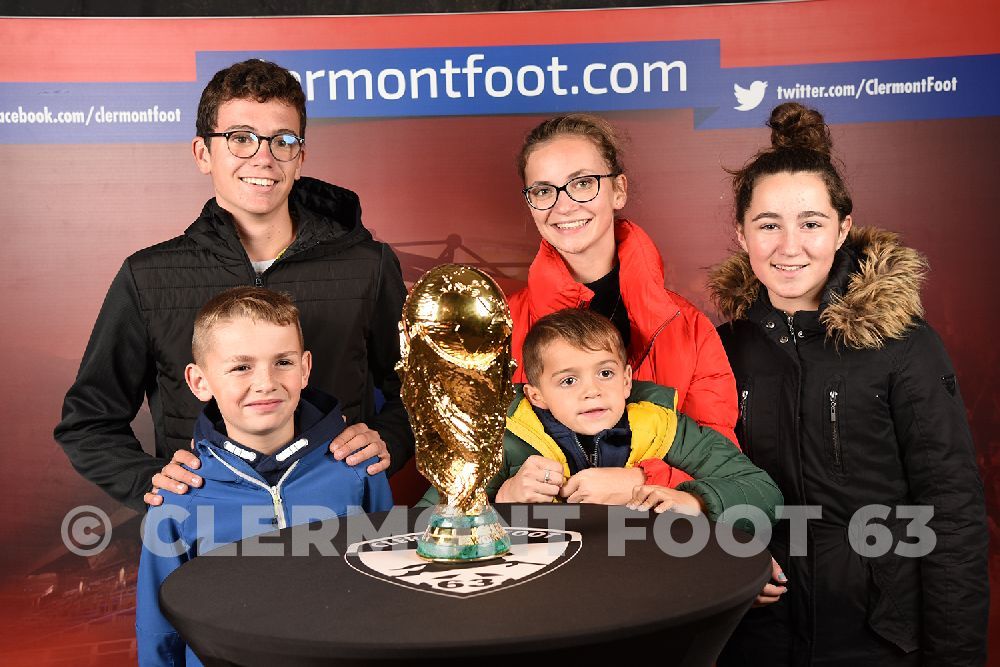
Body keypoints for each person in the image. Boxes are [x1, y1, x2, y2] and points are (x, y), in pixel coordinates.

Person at [54, 59, 413, 513]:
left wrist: (392, 439)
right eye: (240, 138)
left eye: (282, 141)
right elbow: (88, 422)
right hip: (208, 528)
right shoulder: (148, 277)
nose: (263, 157)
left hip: (339, 522)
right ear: (203, 153)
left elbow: (421, 393)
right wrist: (148, 480)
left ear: (300, 157)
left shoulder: (368, 265)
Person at [710, 102, 988, 666]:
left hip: (879, 635)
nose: (790, 247)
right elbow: (689, 478)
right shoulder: (721, 347)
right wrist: (732, 555)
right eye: (768, 225)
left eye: (811, 223)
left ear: (842, 229)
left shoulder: (904, 344)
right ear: (741, 235)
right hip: (758, 630)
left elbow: (952, 511)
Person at [135, 287, 392, 666]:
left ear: (305, 369)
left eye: (282, 362)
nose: (266, 382)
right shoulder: (178, 496)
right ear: (199, 382)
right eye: (241, 367)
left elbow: (393, 591)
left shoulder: (357, 469)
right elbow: (159, 630)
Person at [510, 113, 738, 497]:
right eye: (544, 190)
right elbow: (469, 469)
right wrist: (508, 491)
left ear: (619, 190)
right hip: (543, 548)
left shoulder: (689, 327)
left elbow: (724, 464)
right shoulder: (502, 324)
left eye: (582, 183)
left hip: (664, 544)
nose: (563, 205)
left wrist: (640, 481)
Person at [421, 308, 782, 536]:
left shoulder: (664, 427)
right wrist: (501, 500)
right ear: (536, 395)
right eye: (568, 380)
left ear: (626, 379)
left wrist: (696, 502)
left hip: (643, 586)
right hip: (540, 596)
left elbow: (765, 495)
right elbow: (420, 524)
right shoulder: (499, 437)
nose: (592, 391)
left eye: (605, 373)